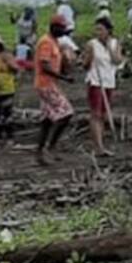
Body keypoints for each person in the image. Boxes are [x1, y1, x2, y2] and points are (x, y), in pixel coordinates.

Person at [35, 15, 75, 165]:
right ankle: (51, 147)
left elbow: (54, 63)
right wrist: (64, 78)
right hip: (46, 84)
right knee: (66, 113)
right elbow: (44, 66)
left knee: (46, 120)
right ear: (54, 27)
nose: (64, 31)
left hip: (46, 83)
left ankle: (40, 152)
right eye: (62, 28)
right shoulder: (46, 42)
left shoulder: (53, 42)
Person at [83, 17, 124, 156]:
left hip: (109, 82)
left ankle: (101, 144)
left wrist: (108, 48)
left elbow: (117, 61)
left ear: (108, 30)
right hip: (95, 81)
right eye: (96, 29)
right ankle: (98, 147)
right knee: (96, 114)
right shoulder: (91, 44)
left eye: (101, 29)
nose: (97, 32)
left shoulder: (115, 43)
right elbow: (85, 64)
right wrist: (88, 60)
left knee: (104, 114)